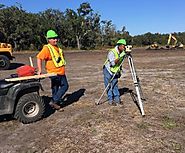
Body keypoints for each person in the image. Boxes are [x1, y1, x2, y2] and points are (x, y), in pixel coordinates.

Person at [36, 29, 69, 110]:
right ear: (48, 39)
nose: (55, 40)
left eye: (56, 38)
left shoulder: (57, 48)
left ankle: (55, 103)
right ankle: (54, 101)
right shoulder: (47, 48)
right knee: (65, 86)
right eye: (53, 38)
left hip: (60, 72)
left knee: (55, 87)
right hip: (54, 73)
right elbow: (39, 57)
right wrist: (39, 70)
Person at [103, 39, 127, 106]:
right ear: (119, 46)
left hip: (115, 70)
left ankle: (117, 99)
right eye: (123, 46)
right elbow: (113, 63)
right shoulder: (112, 52)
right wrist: (121, 56)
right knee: (108, 85)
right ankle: (110, 100)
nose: (124, 47)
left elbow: (119, 64)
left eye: (125, 46)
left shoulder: (122, 52)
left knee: (115, 85)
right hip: (108, 70)